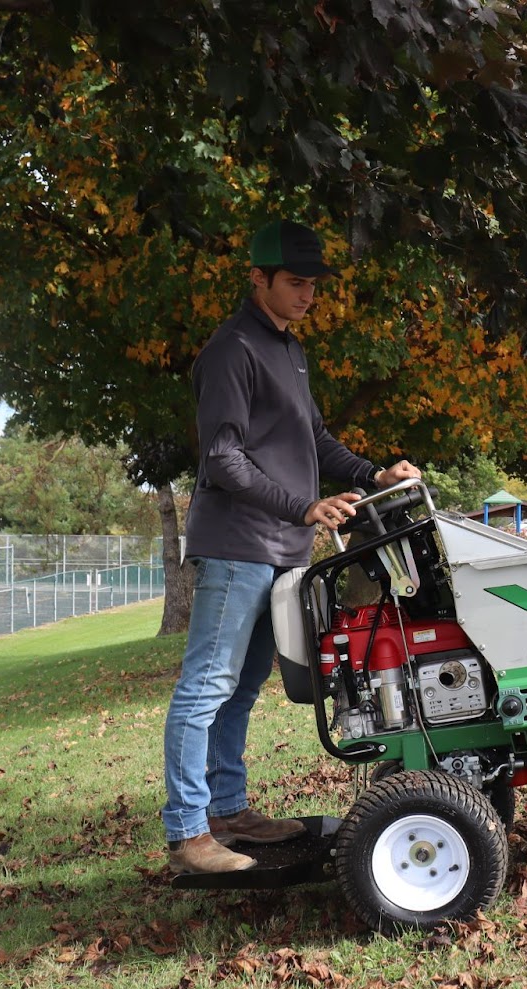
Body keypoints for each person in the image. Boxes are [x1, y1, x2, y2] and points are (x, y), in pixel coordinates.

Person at [162, 219, 420, 874]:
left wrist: (371, 473)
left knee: (244, 686)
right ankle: (189, 834)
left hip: (283, 547)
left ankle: (228, 809)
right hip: (237, 545)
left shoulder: (290, 350)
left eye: (313, 284)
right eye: (296, 283)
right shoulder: (232, 351)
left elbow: (315, 442)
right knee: (207, 685)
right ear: (259, 279)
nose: (308, 295)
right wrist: (303, 506)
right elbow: (222, 458)